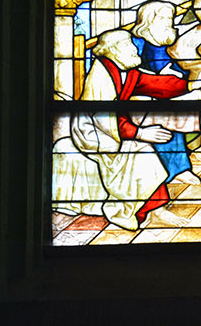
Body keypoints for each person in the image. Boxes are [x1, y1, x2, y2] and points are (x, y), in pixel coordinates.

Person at [66, 29, 191, 230]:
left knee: (142, 147)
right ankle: (148, 211)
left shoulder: (125, 71)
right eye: (128, 45)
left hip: (112, 129)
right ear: (113, 50)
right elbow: (104, 118)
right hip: (92, 133)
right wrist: (139, 133)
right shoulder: (101, 76)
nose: (135, 49)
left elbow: (156, 85)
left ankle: (154, 209)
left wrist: (192, 84)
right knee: (141, 150)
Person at [129, 0, 193, 181]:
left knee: (173, 112)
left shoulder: (169, 43)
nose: (168, 22)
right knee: (162, 114)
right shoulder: (137, 43)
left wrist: (178, 76)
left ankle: (179, 169)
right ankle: (173, 171)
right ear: (148, 20)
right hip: (142, 95)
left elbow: (179, 69)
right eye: (162, 18)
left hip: (168, 92)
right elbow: (129, 71)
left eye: (170, 18)